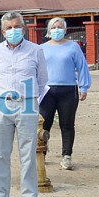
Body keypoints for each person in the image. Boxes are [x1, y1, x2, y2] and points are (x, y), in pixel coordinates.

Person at [0, 11, 48, 197]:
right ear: (3, 31)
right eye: (9, 27)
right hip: (2, 104)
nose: (13, 31)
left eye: (17, 26)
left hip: (27, 104)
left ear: (24, 28)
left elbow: (42, 79)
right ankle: (0, 196)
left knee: (28, 153)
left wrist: (32, 100)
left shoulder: (36, 50)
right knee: (0, 152)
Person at [39, 17, 92, 170]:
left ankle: (66, 156)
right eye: (54, 27)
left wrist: (84, 87)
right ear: (49, 30)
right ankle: (41, 153)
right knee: (44, 123)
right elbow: (36, 69)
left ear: (65, 29)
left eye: (60, 27)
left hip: (68, 90)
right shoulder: (41, 48)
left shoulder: (73, 47)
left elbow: (82, 67)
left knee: (67, 124)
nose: (57, 30)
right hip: (46, 91)